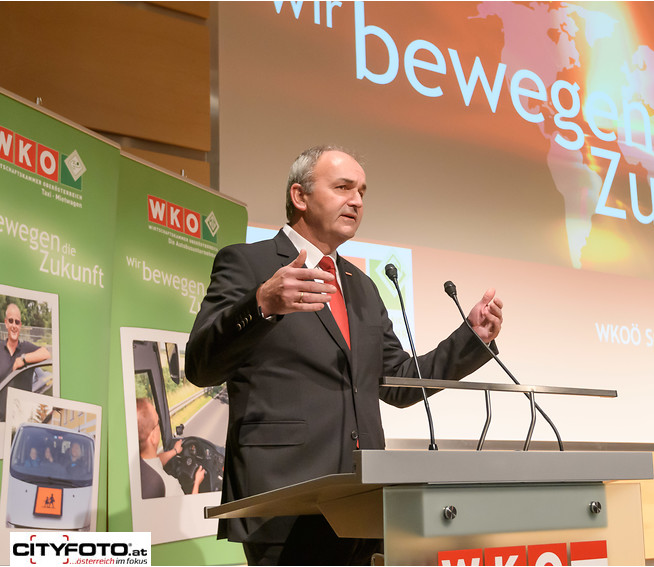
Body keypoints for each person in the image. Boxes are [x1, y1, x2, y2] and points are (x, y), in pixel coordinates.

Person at [186, 145, 504, 565]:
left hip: (364, 499)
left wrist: (471, 339)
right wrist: (261, 304)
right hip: (283, 499)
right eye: (343, 188)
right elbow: (200, 366)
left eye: (362, 192)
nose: (356, 201)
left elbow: (398, 382)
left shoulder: (361, 285)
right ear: (300, 196)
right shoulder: (249, 263)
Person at [136, 398, 205, 498]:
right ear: (153, 437)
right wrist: (197, 482)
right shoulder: (168, 486)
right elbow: (191, 507)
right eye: (158, 423)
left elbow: (154, 461)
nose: (159, 427)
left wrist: (175, 451)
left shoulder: (136, 467)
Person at [1, 303, 50, 379]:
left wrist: (23, 359)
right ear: (6, 323)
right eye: (10, 321)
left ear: (20, 325)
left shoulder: (27, 347)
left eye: (17, 322)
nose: (14, 325)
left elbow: (46, 353)